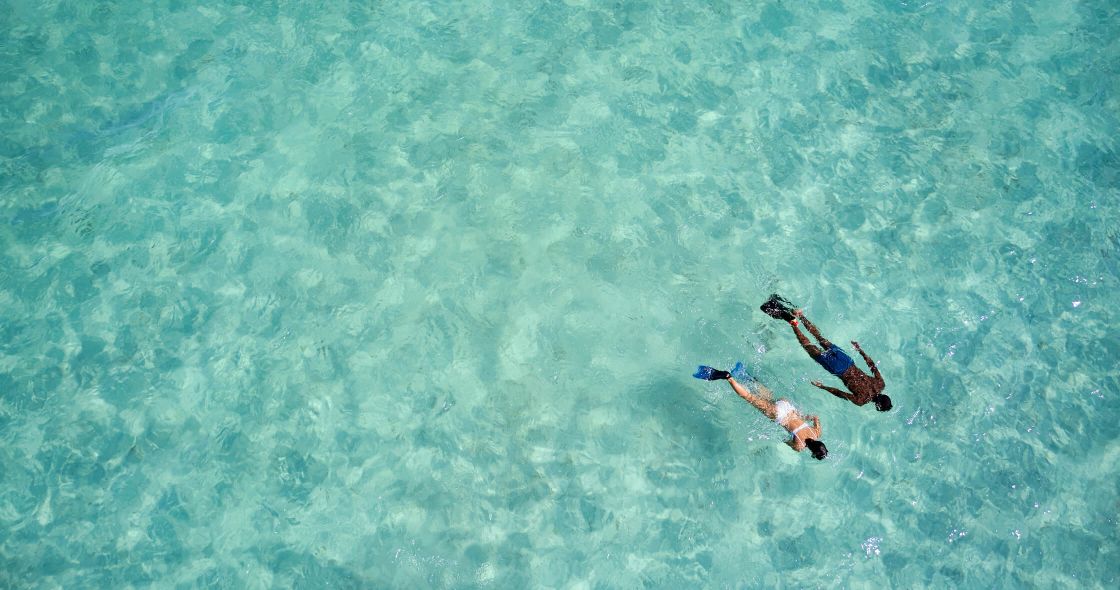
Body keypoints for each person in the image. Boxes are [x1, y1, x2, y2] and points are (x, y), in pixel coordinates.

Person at [761, 295, 892, 411]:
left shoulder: (881, 384)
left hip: (848, 361)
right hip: (838, 369)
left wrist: (860, 350)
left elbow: (872, 365)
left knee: (820, 338)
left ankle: (800, 315)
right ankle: (793, 323)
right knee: (809, 348)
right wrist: (822, 386)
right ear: (877, 405)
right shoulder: (862, 400)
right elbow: (839, 393)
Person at [694, 364, 828, 460]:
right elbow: (784, 440)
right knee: (749, 397)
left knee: (768, 396)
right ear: (812, 452)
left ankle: (743, 374)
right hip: (779, 415)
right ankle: (728, 377)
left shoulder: (816, 432)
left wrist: (803, 416)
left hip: (788, 407)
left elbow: (815, 417)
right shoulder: (800, 446)